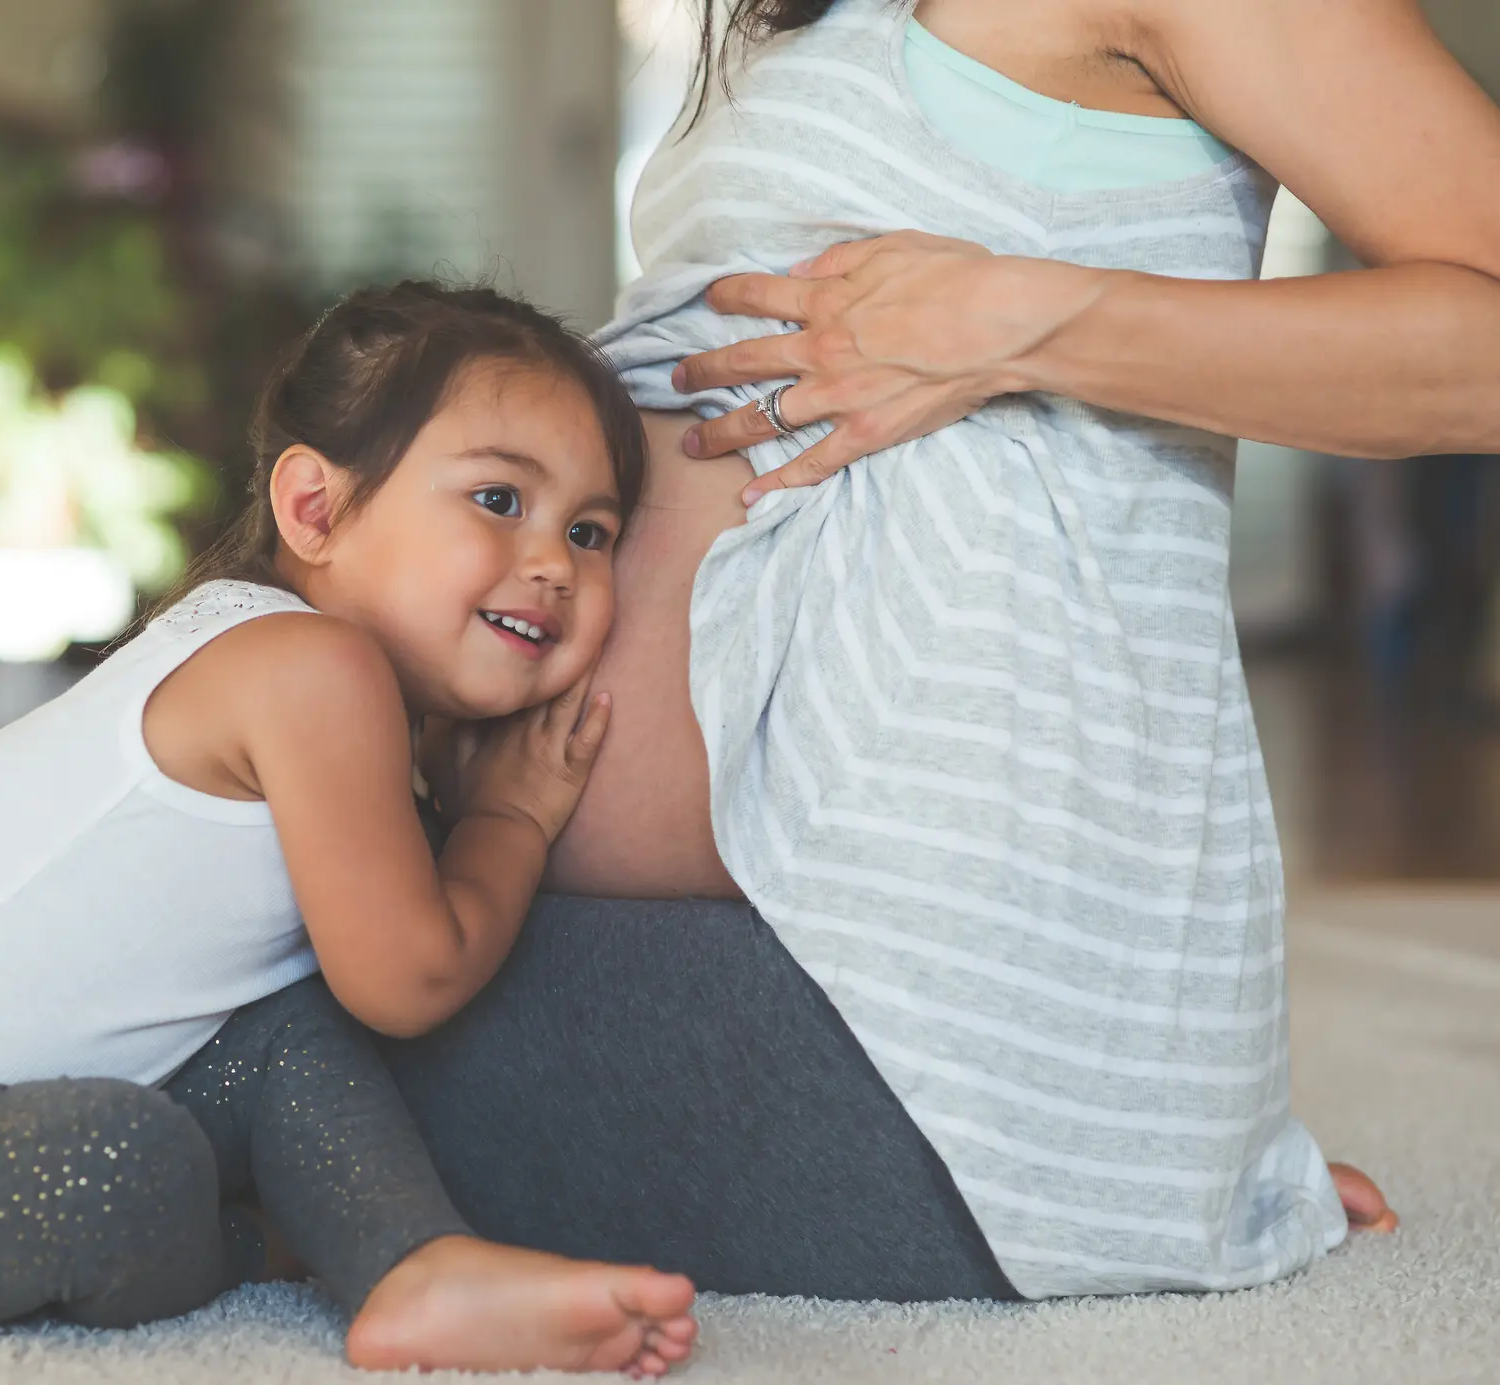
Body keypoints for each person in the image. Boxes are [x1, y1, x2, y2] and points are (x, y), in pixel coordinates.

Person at [388, 0, 1462, 1300]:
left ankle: (1095, 1154)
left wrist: (1019, 322)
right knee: (226, 882)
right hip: (657, 932)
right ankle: (1123, 1151)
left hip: (884, 1037)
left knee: (245, 1033)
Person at [0, 282, 700, 1376]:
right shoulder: (311, 671)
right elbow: (408, 977)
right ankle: (277, 1243)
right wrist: (511, 817)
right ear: (315, 510)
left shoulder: (305, 671)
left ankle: (412, 1267)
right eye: (498, 500)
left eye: (590, 532)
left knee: (280, 1032)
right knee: (124, 1164)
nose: (554, 563)